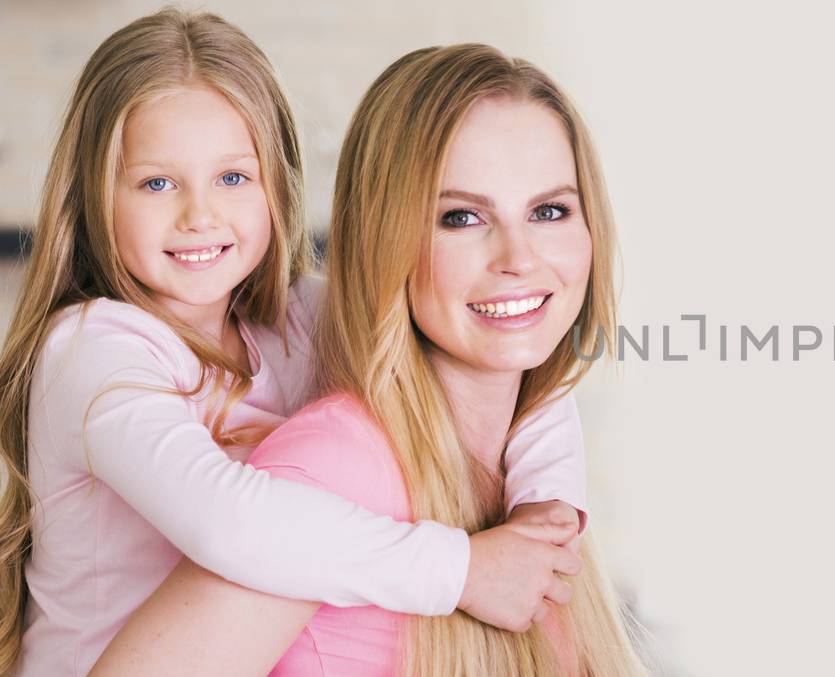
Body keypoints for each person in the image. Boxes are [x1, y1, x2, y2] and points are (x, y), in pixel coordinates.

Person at [0, 11, 590, 676]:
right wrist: (462, 570)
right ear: (95, 196)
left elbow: (501, 353)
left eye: (232, 177)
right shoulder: (91, 349)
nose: (199, 215)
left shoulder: (295, 318)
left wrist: (545, 503)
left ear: (275, 184)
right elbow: (228, 524)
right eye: (157, 182)